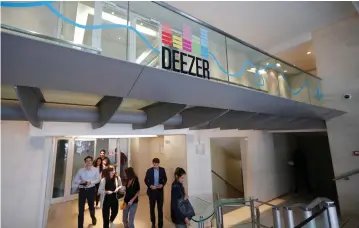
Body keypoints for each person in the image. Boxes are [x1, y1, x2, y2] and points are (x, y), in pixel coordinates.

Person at [72, 156, 100, 228]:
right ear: (85, 162)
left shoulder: (95, 170)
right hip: (82, 190)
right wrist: (81, 181)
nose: (88, 162)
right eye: (87, 161)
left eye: (89, 160)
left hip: (91, 190)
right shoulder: (80, 170)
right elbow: (75, 180)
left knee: (91, 207)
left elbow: (98, 179)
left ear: (92, 161)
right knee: (81, 209)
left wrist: (90, 182)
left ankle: (93, 217)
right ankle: (80, 226)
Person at [144, 158, 167, 228]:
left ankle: (160, 224)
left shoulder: (162, 170)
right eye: (154, 163)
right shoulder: (149, 170)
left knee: (160, 209)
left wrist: (162, 185)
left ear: (159, 163)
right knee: (152, 208)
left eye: (156, 163)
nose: (155, 165)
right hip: (152, 192)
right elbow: (145, 180)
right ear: (152, 163)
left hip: (159, 192)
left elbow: (165, 179)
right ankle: (153, 223)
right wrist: (150, 185)